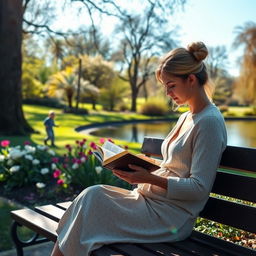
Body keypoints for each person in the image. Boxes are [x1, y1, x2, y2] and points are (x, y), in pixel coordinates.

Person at [50, 42, 227, 256]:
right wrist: (138, 164)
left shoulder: (209, 122)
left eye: (171, 85)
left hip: (170, 217)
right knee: (92, 195)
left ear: (191, 80)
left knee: (93, 203)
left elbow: (199, 188)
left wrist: (148, 178)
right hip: (152, 202)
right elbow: (175, 166)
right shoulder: (187, 117)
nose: (167, 93)